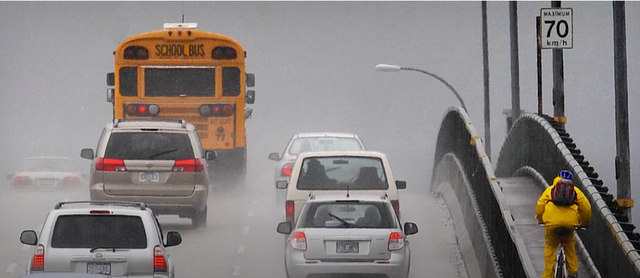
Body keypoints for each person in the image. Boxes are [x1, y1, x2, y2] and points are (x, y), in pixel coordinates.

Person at [535, 170, 592, 278]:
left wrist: (540, 220)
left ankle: (548, 275)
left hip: (551, 224)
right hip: (570, 224)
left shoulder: (551, 190)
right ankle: (573, 273)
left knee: (551, 248)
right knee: (569, 246)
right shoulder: (576, 191)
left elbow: (540, 205)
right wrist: (584, 223)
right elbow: (586, 209)